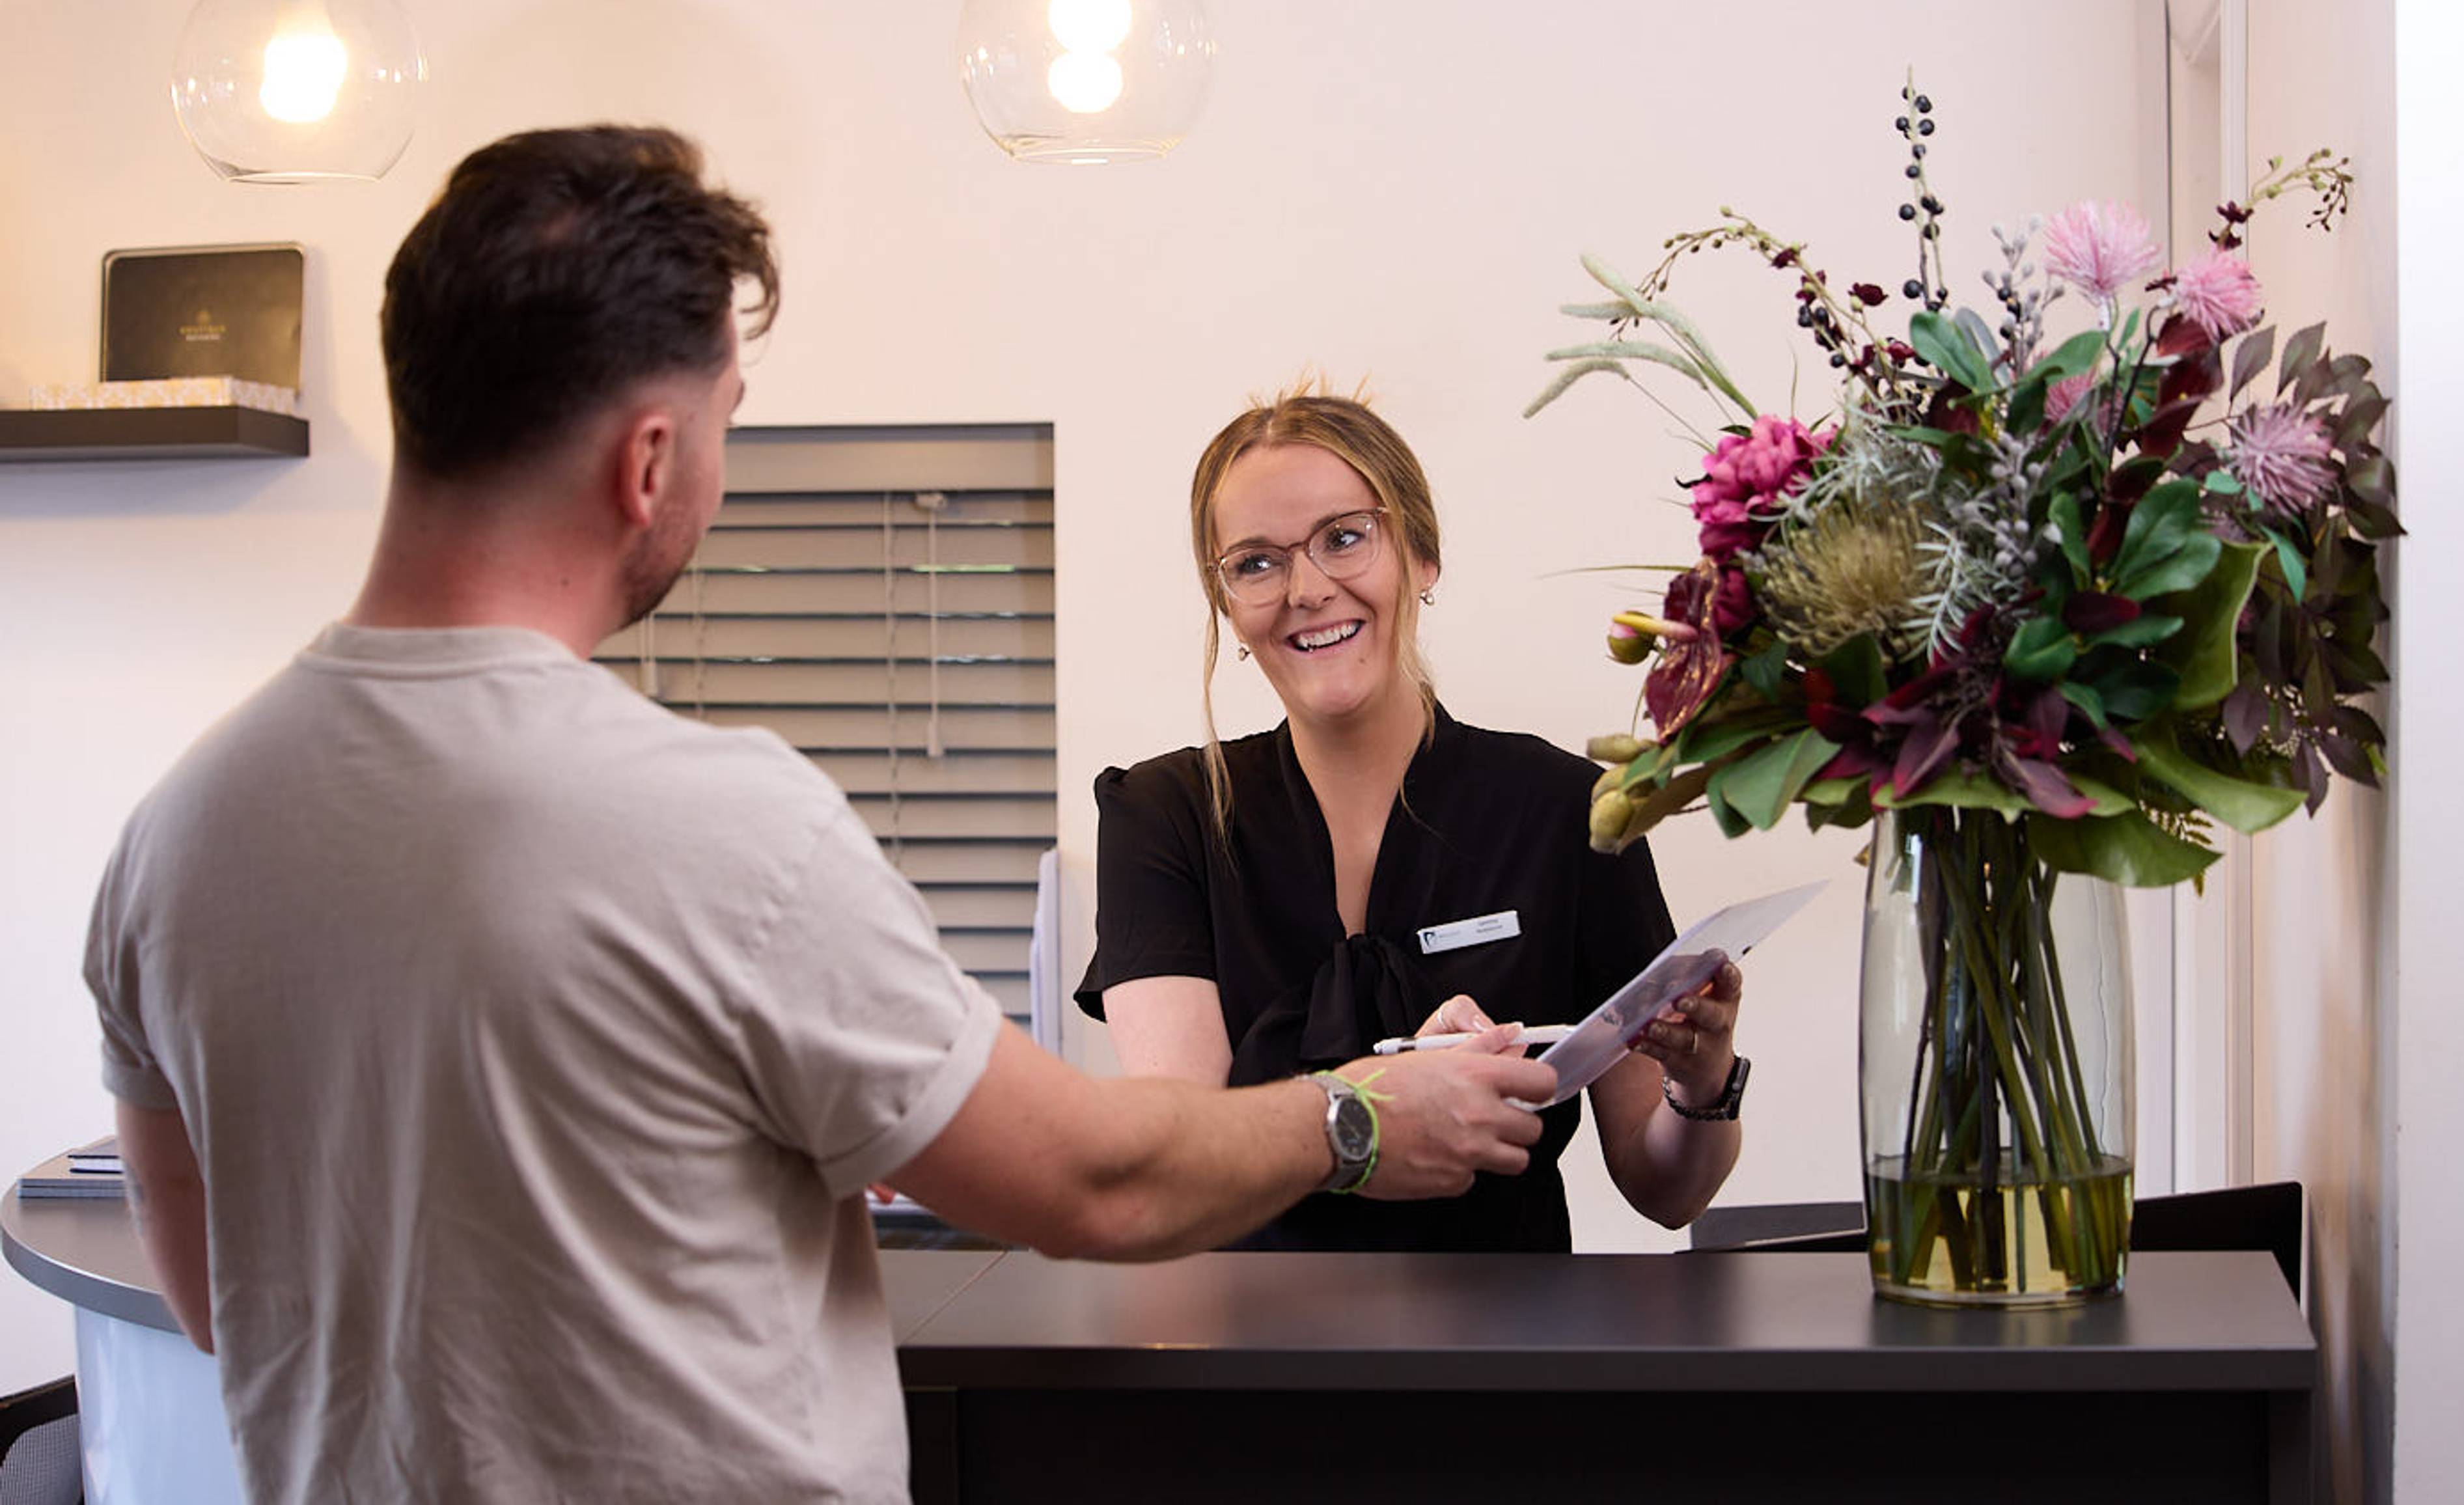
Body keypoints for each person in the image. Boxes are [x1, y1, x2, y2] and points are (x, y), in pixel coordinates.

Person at [81, 128, 1555, 1505]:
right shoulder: (723, 830)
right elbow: (1091, 1178)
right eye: (726, 424)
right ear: (648, 460)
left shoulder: (176, 837)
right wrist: (1363, 1115)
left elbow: (222, 1297)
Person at [1074, 389, 1747, 1252]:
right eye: (1256, 563)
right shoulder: (1160, 816)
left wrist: (1703, 1078)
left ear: (1421, 555)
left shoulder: (1569, 812)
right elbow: (1182, 1158)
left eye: (1344, 538)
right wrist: (1370, 1112)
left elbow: (1665, 1190)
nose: (1307, 589)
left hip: (1507, 1363)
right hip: (1243, 1360)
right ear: (1227, 605)